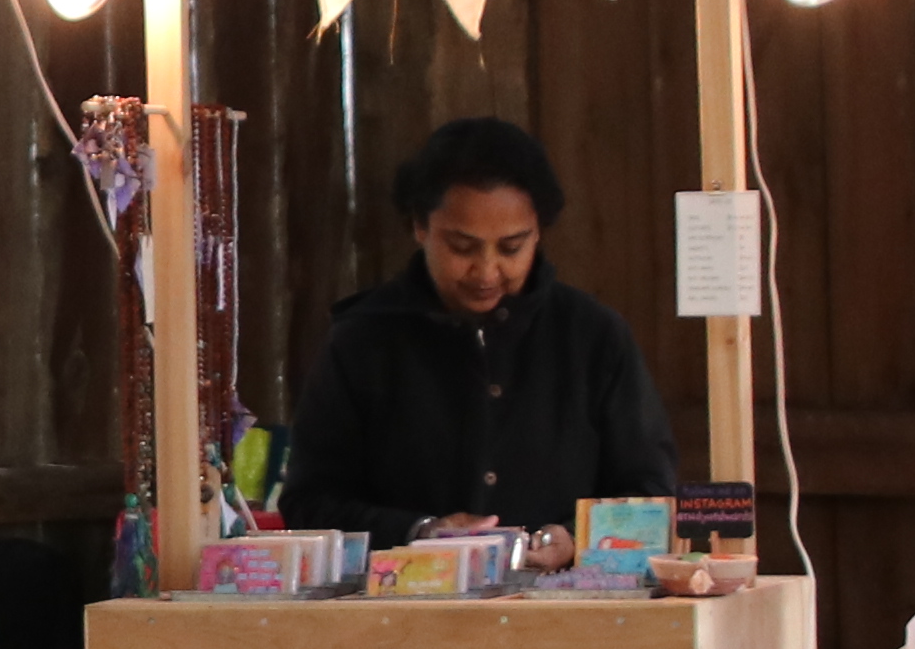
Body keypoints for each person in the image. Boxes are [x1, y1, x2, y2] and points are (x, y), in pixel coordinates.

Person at [276, 115, 679, 555]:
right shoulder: (363, 341)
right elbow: (309, 501)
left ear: (539, 231)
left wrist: (572, 541)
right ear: (420, 227)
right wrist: (421, 533)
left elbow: (650, 493)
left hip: (566, 611)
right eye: (462, 247)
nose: (487, 272)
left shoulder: (594, 337)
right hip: (404, 615)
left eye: (511, 248)